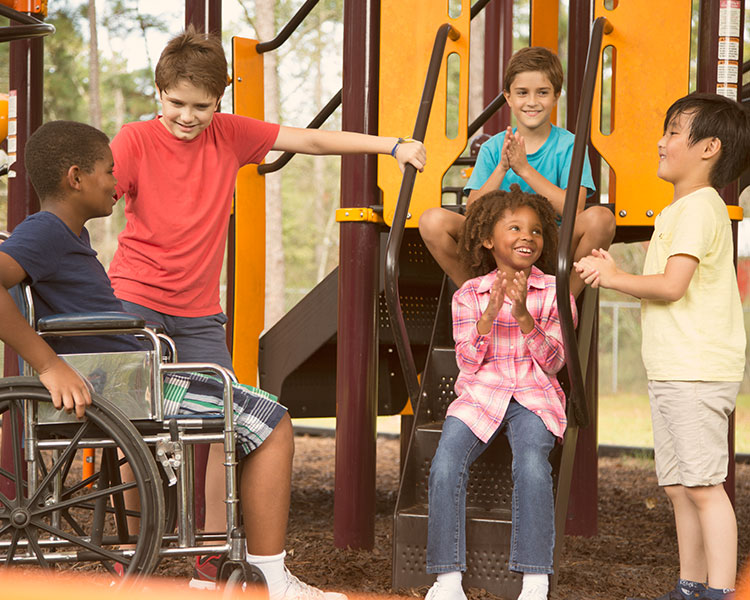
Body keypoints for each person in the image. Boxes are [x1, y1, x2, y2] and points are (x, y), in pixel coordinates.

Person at [107, 26, 426, 589]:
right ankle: (130, 553)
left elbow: (311, 141)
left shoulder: (228, 136)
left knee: (222, 430)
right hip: (136, 303)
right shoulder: (133, 141)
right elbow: (90, 195)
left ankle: (210, 556)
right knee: (140, 427)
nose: (187, 116)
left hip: (200, 313)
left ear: (219, 102)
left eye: (200, 106)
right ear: (158, 93)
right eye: (176, 103)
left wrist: (391, 145)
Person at [0, 120, 347, 600]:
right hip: (128, 387)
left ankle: (233, 565)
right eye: (108, 171)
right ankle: (270, 581)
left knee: (252, 410)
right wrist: (48, 365)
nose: (115, 183)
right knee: (273, 424)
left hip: (135, 377)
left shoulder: (65, 235)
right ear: (75, 177)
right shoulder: (46, 232)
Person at [574, 92, 750, 600]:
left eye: (675, 131)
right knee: (679, 487)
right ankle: (691, 586)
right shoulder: (682, 211)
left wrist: (613, 276)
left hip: (696, 370)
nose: (661, 140)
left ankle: (719, 592)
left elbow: (673, 285)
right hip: (674, 369)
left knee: (703, 488)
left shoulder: (699, 208)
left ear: (709, 148)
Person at [424, 185, 576, 600]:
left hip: (534, 395)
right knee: (444, 465)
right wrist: (490, 315)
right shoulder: (469, 295)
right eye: (515, 228)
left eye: (536, 231)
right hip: (480, 395)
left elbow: (555, 363)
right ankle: (447, 579)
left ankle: (534, 580)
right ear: (489, 240)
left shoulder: (553, 293)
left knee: (531, 463)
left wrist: (525, 316)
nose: (528, 236)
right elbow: (468, 363)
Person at [418, 46, 615, 295]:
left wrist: (524, 169)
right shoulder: (493, 148)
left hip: (550, 241)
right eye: (522, 93)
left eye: (542, 93)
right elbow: (472, 213)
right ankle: (478, 293)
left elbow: (573, 208)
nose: (532, 102)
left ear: (556, 96)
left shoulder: (570, 146)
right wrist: (502, 168)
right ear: (508, 97)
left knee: (601, 219)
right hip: (499, 244)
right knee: (432, 220)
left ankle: (563, 301)